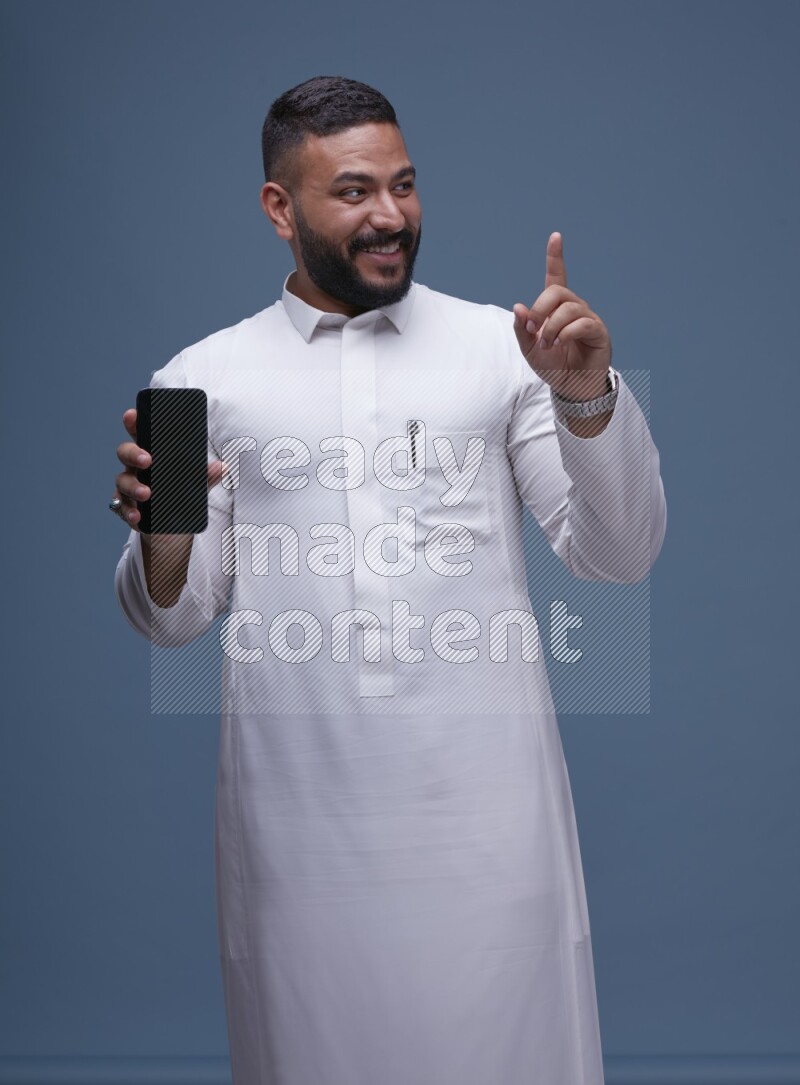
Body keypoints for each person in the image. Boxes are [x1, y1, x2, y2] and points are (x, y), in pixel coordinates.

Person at [113, 75, 666, 1085]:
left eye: (403, 186)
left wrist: (583, 395)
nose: (390, 217)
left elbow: (617, 550)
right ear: (279, 208)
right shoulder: (198, 378)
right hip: (299, 831)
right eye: (355, 191)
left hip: (492, 825)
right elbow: (172, 616)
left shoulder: (504, 354)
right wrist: (161, 532)